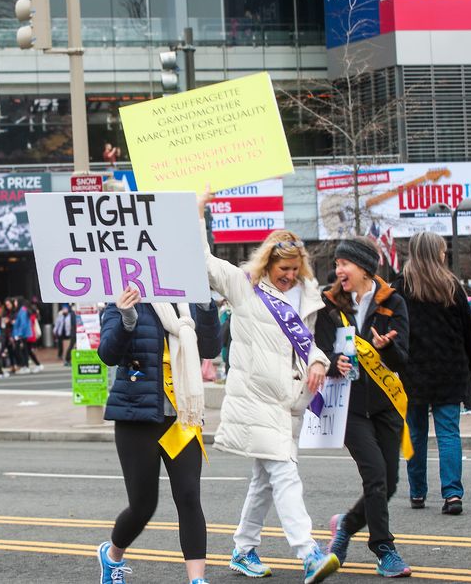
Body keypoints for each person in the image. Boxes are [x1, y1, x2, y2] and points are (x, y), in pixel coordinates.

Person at [196, 184, 340, 584]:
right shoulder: (243, 286)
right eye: (283, 271)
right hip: (256, 397)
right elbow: (202, 260)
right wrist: (198, 212)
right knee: (284, 473)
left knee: (263, 480)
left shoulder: (307, 295)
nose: (290, 277)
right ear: (267, 265)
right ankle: (308, 553)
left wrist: (317, 361)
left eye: (295, 270)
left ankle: (243, 549)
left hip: (290, 402)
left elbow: (310, 345)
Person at [95, 284, 221, 584]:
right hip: (137, 418)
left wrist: (205, 306)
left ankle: (197, 580)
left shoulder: (185, 302)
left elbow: (211, 349)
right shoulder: (125, 300)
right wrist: (127, 319)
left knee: (189, 496)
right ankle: (112, 555)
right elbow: (108, 354)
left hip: (183, 417)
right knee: (142, 506)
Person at [315, 237, 413, 578]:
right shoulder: (329, 306)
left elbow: (402, 358)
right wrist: (332, 363)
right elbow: (318, 352)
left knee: (390, 482)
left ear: (365, 268)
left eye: (345, 264)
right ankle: (384, 548)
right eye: (338, 264)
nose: (339, 270)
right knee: (375, 476)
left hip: (386, 405)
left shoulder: (392, 302)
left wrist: (385, 348)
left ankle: (345, 525)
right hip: (349, 407)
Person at [391, 232, 471, 516]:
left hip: (414, 370)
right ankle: (452, 494)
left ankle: (418, 491)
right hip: (449, 369)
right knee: (448, 433)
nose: (445, 255)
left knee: (416, 432)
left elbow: (393, 328)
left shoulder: (401, 287)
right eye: (443, 251)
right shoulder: (451, 286)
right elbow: (468, 329)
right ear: (436, 253)